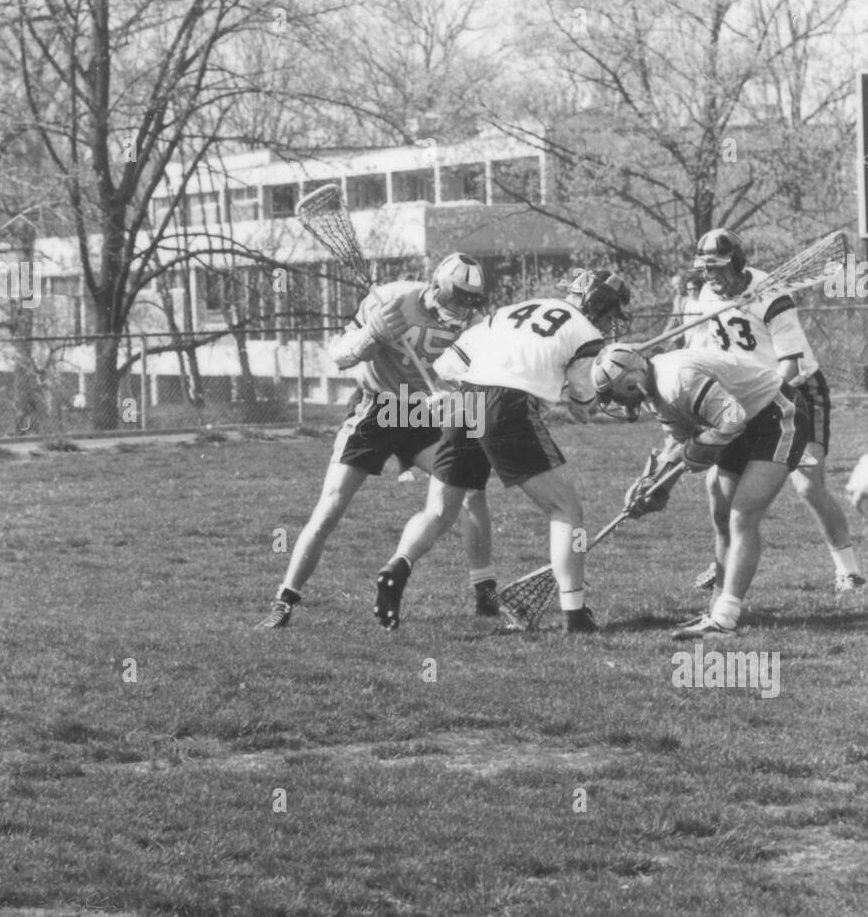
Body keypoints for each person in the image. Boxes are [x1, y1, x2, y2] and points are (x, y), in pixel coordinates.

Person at [372, 269, 633, 634]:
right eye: (609, 313)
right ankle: (575, 614)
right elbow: (583, 406)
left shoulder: (510, 311)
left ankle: (396, 567)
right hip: (508, 408)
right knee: (566, 510)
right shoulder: (585, 333)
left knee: (439, 510)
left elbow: (448, 366)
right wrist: (595, 393)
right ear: (600, 305)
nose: (608, 322)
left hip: (467, 402)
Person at [255, 253, 495, 630]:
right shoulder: (391, 298)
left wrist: (454, 396)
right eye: (457, 299)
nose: (463, 310)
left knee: (470, 491)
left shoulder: (477, 325)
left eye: (470, 301)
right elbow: (338, 357)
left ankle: (485, 589)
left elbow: (480, 380)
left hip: (424, 414)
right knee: (331, 508)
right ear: (436, 289)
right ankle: (284, 600)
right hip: (377, 409)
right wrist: (371, 335)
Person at [591, 341, 811, 639]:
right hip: (745, 422)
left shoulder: (677, 379)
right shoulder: (656, 389)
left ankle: (724, 619)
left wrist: (695, 451)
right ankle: (716, 608)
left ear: (631, 382)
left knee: (742, 516)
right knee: (722, 513)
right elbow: (677, 445)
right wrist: (653, 487)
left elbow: (731, 419)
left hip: (777, 414)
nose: (618, 402)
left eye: (616, 393)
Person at [686, 228, 863, 595]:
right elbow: (704, 354)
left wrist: (759, 408)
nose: (712, 276)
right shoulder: (704, 296)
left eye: (719, 267)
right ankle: (724, 564)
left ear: (737, 262)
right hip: (746, 396)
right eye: (706, 268)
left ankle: (849, 570)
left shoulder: (772, 295)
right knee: (718, 491)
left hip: (798, 392)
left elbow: (791, 368)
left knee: (808, 483)